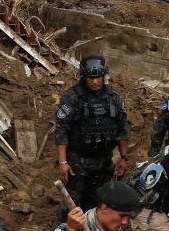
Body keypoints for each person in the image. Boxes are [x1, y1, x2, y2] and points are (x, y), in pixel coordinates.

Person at [55, 55, 130, 215]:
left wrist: (124, 158)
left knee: (99, 207)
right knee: (72, 207)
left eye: (98, 77)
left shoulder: (114, 99)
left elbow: (122, 130)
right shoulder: (72, 98)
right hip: (78, 164)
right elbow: (61, 130)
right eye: (91, 78)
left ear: (104, 77)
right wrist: (63, 162)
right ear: (84, 77)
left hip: (104, 164)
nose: (95, 82)